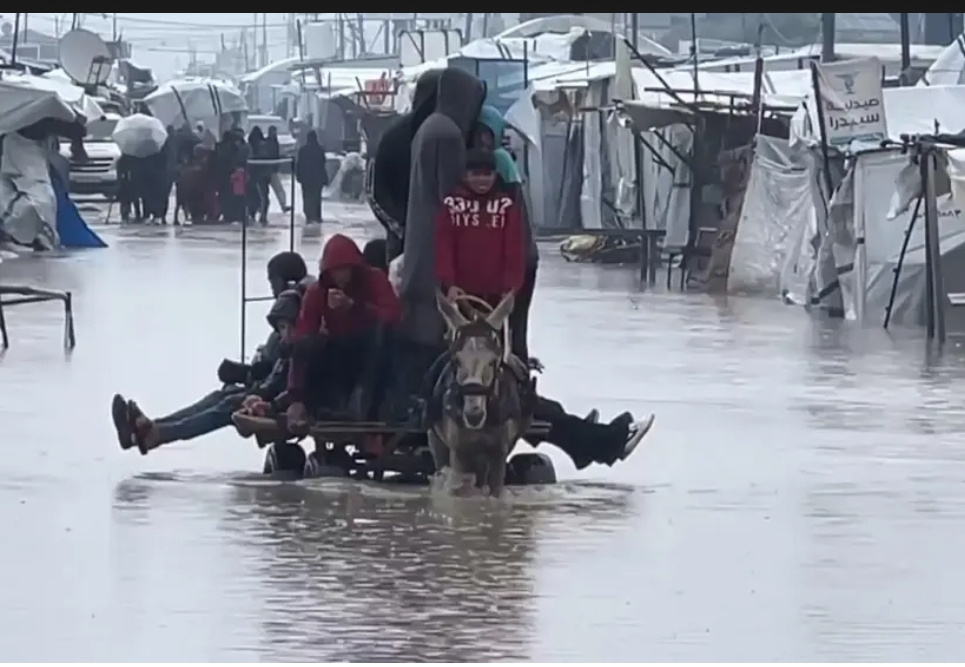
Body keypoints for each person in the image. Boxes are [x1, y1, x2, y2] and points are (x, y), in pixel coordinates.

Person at [110, 252, 310, 453]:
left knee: (229, 403)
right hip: (275, 386)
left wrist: (249, 376)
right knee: (222, 395)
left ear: (287, 282)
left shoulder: (296, 317)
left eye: (273, 282)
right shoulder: (295, 310)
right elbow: (277, 366)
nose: (271, 289)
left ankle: (154, 433)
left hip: (284, 395)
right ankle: (150, 428)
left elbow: (283, 369)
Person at [285, 234, 401, 426]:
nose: (341, 276)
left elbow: (394, 316)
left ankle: (362, 407)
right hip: (337, 352)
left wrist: (355, 307)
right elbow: (303, 337)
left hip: (371, 353)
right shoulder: (317, 292)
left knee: (381, 336)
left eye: (345, 269)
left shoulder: (375, 280)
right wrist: (295, 395)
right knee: (309, 344)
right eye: (336, 271)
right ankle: (317, 406)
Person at [474, 104, 539, 363]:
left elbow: (515, 222)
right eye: (478, 133)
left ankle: (519, 386)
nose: (481, 140)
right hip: (514, 257)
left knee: (512, 327)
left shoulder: (498, 161)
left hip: (520, 259)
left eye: (486, 134)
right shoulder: (491, 160)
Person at [434, 148, 524, 313]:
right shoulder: (451, 205)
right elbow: (444, 246)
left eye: (487, 174)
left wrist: (510, 288)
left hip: (498, 296)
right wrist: (449, 283)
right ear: (465, 175)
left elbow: (513, 249)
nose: (482, 180)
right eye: (476, 174)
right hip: (459, 294)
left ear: (495, 175)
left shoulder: (506, 206)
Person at [368, 69, 443, 263]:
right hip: (403, 237)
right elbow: (375, 188)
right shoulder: (396, 134)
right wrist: (400, 227)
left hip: (448, 241)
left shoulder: (456, 132)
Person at [295, 130, 328, 225]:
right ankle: (317, 216)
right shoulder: (320, 149)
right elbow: (323, 164)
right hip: (317, 178)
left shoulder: (303, 150)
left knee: (307, 197)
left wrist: (298, 176)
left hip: (306, 178)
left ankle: (309, 215)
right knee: (317, 197)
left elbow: (299, 164)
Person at [246, 127, 269, 224]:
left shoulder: (249, 147)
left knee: (252, 196)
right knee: (264, 197)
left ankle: (252, 214)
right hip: (263, 176)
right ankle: (263, 216)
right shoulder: (264, 146)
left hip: (251, 175)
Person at [265, 126, 290, 213]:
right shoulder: (271, 143)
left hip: (271, 169)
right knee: (278, 189)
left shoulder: (272, 142)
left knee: (278, 189)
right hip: (270, 170)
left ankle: (283, 205)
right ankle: (282, 205)